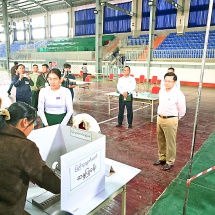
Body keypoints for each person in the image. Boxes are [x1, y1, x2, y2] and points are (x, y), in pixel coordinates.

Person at [0, 102, 60, 214]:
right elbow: (50, 182)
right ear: (24, 122)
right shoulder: (25, 147)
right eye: (33, 124)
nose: (33, 127)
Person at [153, 72, 186, 171]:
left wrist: (174, 118)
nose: (167, 83)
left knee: (170, 142)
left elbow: (182, 110)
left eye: (170, 81)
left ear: (174, 82)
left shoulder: (178, 94)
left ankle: (170, 161)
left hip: (171, 120)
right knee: (160, 140)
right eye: (165, 81)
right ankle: (162, 158)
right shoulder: (161, 91)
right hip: (160, 118)